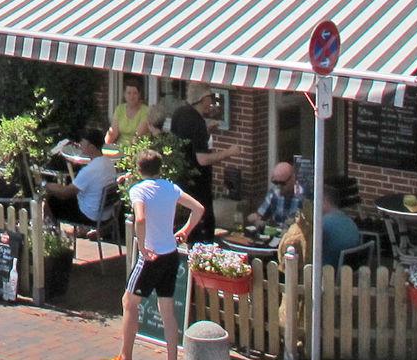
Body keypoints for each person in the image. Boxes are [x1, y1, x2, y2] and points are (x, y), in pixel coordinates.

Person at [101, 148, 204, 360]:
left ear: (139, 169)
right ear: (160, 169)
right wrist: (186, 231)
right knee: (167, 310)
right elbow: (198, 209)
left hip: (152, 256)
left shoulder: (139, 190)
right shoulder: (171, 188)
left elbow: (140, 218)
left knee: (129, 303)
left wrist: (144, 247)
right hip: (170, 254)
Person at [166, 86, 237, 241]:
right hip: (198, 181)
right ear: (204, 100)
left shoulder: (179, 113)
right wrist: (229, 152)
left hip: (181, 175)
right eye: (210, 98)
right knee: (202, 222)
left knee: (183, 219)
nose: (212, 102)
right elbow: (202, 159)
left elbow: (187, 141)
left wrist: (206, 131)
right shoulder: (197, 122)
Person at [68, 127, 117, 225]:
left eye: (82, 142)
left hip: (90, 216)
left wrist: (47, 186)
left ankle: (51, 232)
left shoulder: (89, 170)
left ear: (91, 147)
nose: (80, 144)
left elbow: (67, 192)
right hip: (107, 214)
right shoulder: (109, 163)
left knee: (53, 200)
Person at [317, 184, 363, 266]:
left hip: (328, 269)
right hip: (348, 269)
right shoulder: (349, 220)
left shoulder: (324, 224)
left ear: (324, 201)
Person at [253, 160, 305, 229]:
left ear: (293, 178)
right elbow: (260, 215)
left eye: (282, 183)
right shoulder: (274, 192)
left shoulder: (303, 197)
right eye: (275, 183)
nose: (279, 187)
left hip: (294, 237)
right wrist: (255, 219)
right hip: (276, 235)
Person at [106, 81, 154, 146]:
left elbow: (137, 137)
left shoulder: (146, 111)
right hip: (119, 148)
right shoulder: (119, 109)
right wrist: (109, 139)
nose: (132, 96)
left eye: (135, 93)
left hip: (138, 149)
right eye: (129, 93)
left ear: (139, 94)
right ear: (124, 94)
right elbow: (113, 133)